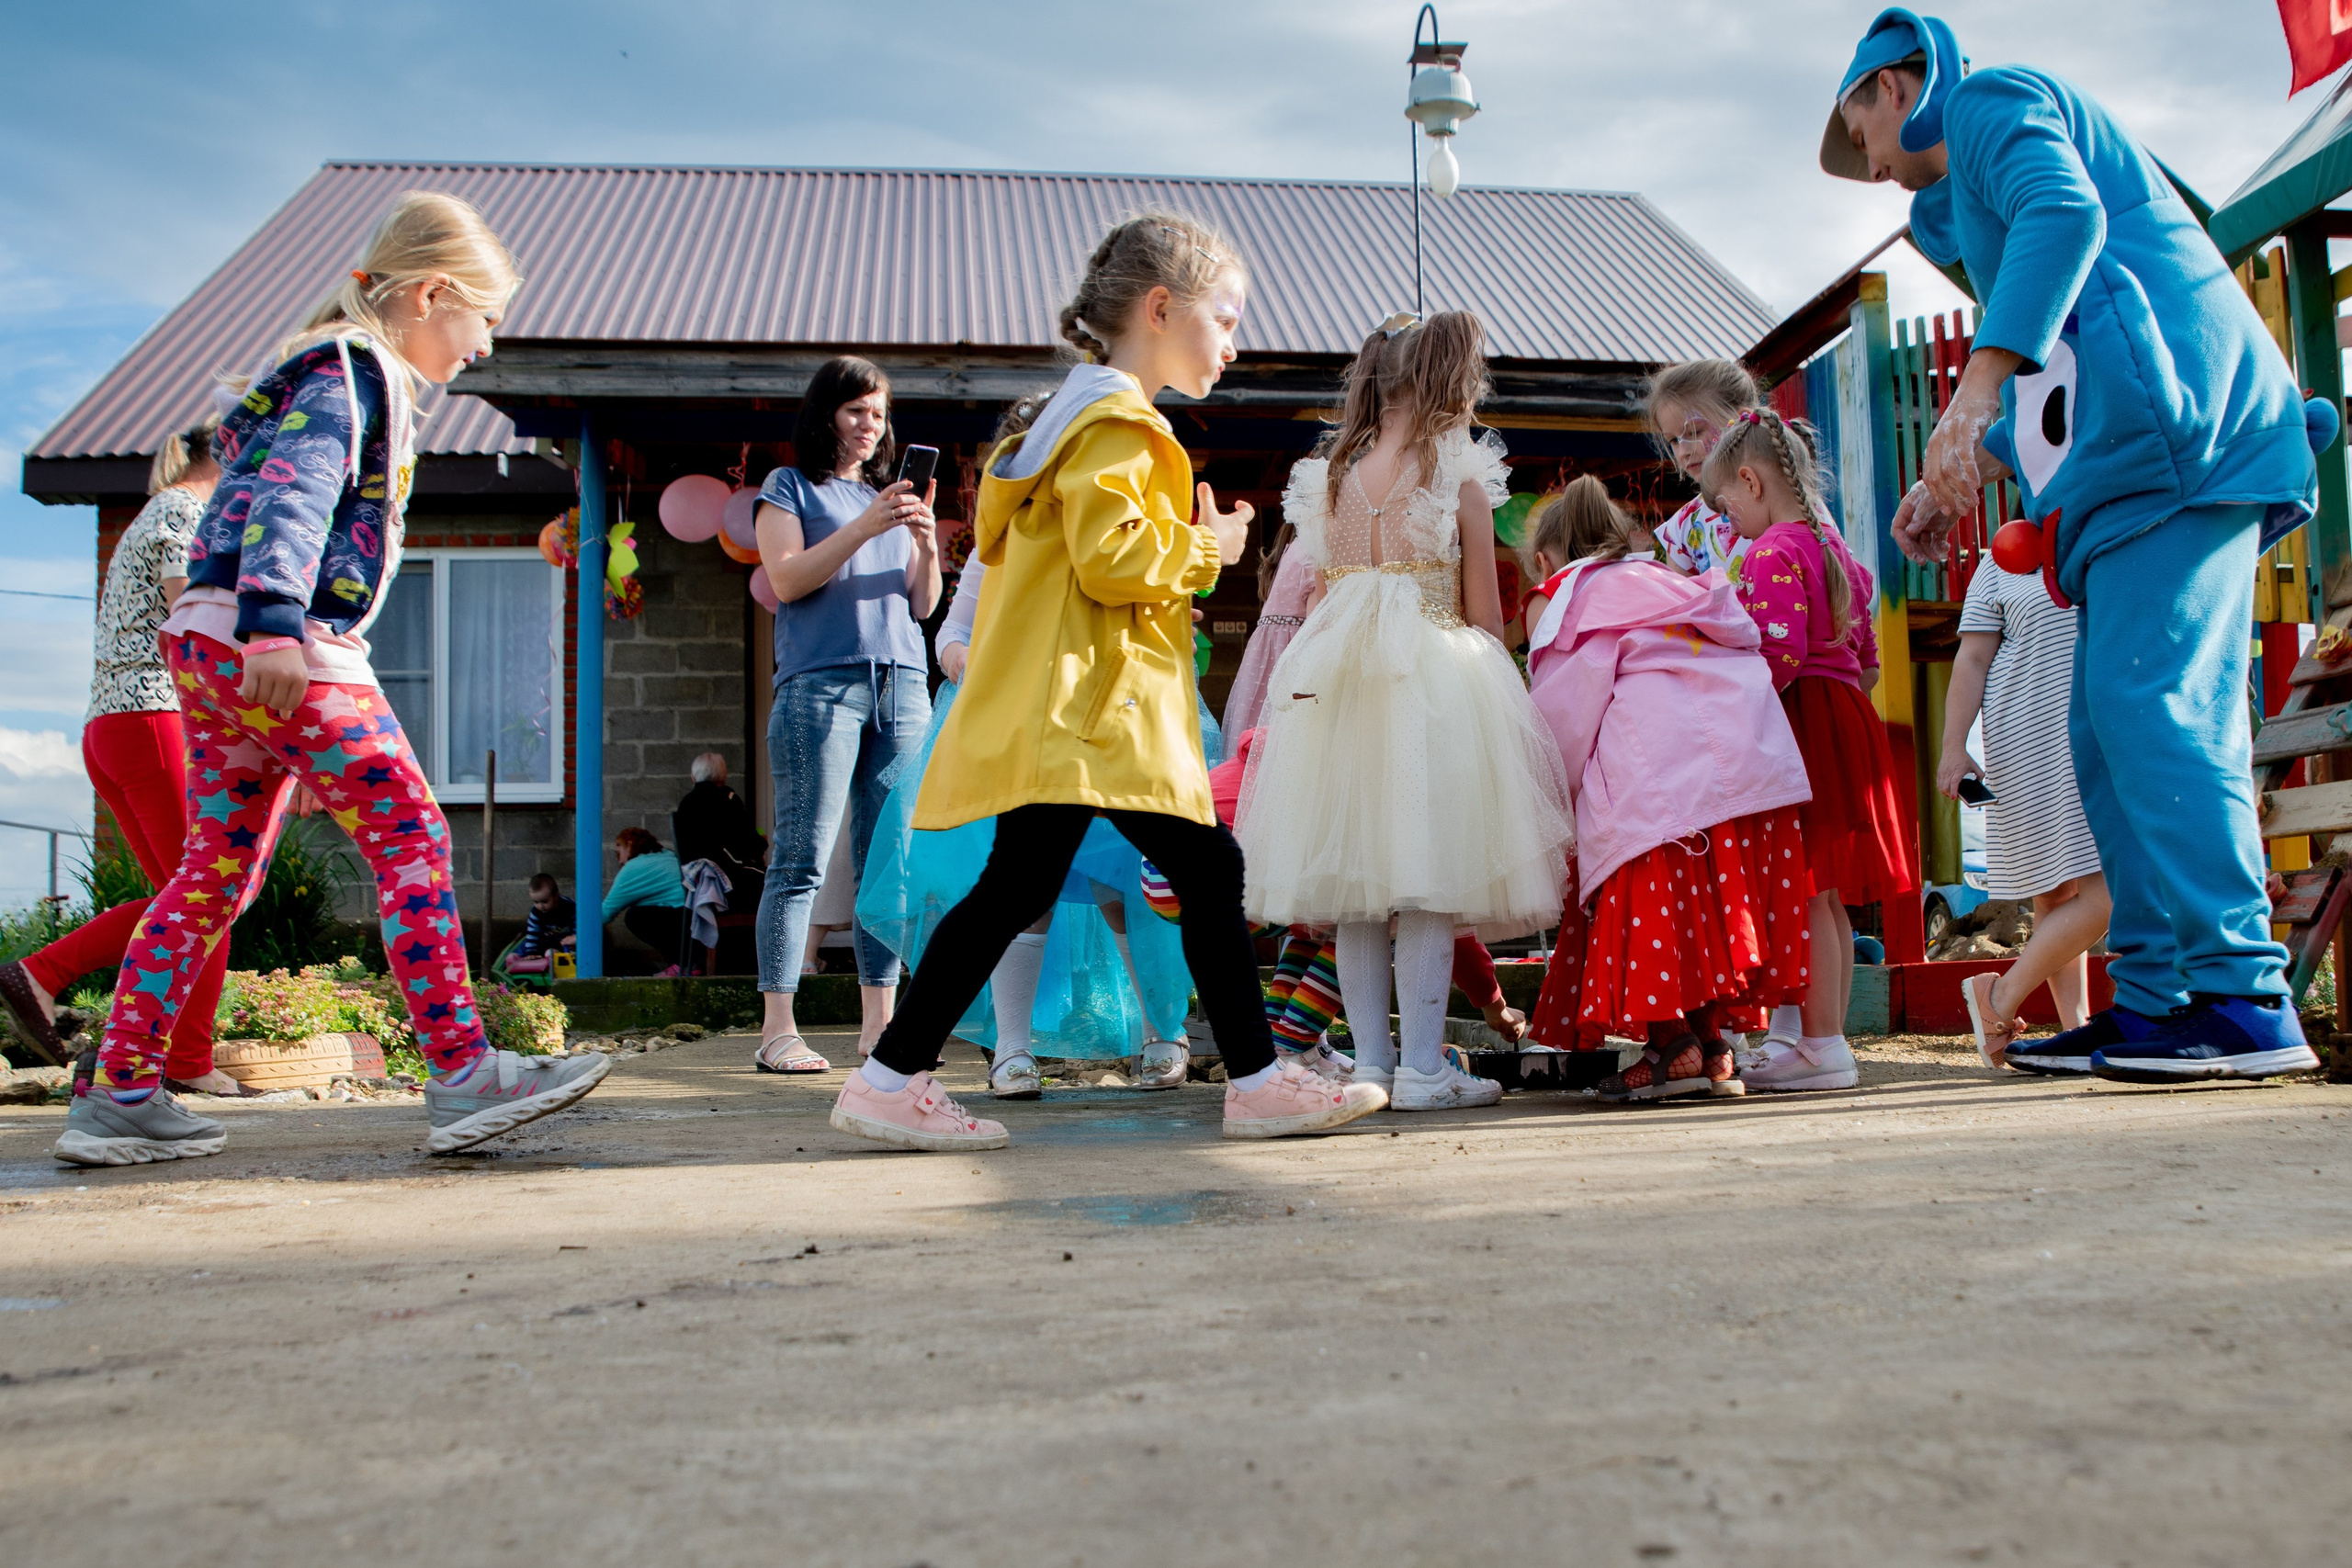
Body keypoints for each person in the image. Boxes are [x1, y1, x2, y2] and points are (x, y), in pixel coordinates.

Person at [52, 191, 609, 1166]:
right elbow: (293, 492)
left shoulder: (326, 368)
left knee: (214, 874)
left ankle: (123, 1088)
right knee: (412, 836)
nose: (482, 347)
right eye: (482, 317)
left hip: (209, 644)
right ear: (431, 293)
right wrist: (274, 625)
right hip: (280, 636)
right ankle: (464, 1071)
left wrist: (270, 696)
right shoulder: (355, 369)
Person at [1834, 9, 2328, 1082]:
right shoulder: (1968, 207)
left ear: (1897, 81)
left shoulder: (1989, 99)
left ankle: (2242, 998)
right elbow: (2062, 365)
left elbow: (2065, 218)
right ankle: (2153, 999)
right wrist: (1958, 466)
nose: (1862, 162)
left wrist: (1968, 401)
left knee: (2155, 708)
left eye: (1855, 120)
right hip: (2121, 471)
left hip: (2181, 444)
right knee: (2104, 731)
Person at [831, 211, 1387, 1150]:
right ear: (1162, 308)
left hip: (1075, 710)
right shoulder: (1120, 422)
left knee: (1024, 883)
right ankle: (1254, 1082)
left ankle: (890, 1076)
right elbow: (1113, 560)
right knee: (1204, 868)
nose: (1234, 340)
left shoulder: (1066, 420)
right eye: (1227, 317)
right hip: (1099, 713)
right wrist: (1206, 548)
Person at [1236, 310, 1575, 1111]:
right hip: (1433, 679)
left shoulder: (1327, 478)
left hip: (1340, 685)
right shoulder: (1455, 474)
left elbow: (1320, 595)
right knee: (1428, 874)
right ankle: (1426, 1065)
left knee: (1356, 877)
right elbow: (1486, 614)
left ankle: (1375, 1067)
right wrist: (1506, 693)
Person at [860, 543, 1197, 1100]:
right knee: (1023, 887)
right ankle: (1012, 1049)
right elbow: (953, 632)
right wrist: (964, 660)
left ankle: (1161, 1030)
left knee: (1121, 875)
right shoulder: (998, 546)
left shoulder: (1112, 531)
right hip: (1018, 732)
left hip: (1111, 722)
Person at [0, 414, 275, 1098]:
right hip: (153, 720)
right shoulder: (184, 514)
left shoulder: (156, 514)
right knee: (211, 893)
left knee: (182, 899)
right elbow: (194, 626)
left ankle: (156, 1049)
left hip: (116, 725)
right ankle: (62, 983)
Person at [1518, 477, 1814, 1100]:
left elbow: (1564, 716)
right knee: (1703, 910)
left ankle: (1670, 1044)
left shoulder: (1562, 598)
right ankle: (1710, 1047)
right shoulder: (1673, 584)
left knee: (1645, 898)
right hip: (1745, 765)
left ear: (1546, 561)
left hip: (1650, 768)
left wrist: (1543, 794)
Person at [1702, 409, 1912, 1092]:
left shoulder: (1773, 553)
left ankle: (1821, 1046)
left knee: (1809, 891)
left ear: (1750, 480)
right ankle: (1823, 1035)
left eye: (1727, 505)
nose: (1729, 523)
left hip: (1806, 722)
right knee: (1830, 898)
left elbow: (1780, 653)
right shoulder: (1839, 552)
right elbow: (1869, 662)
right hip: (1849, 714)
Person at [751, 356, 941, 1074]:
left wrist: (922, 542)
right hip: (821, 688)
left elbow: (924, 605)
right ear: (827, 412)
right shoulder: (789, 487)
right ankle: (777, 1030)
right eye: (858, 410)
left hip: (904, 684)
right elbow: (787, 578)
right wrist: (867, 524)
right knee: (799, 858)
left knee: (885, 864)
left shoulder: (889, 499)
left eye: (881, 413)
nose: (871, 426)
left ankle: (879, 1027)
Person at [1936, 562, 2112, 1070]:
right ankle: (2073, 1031)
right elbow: (1971, 658)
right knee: (2056, 892)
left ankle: (2000, 997)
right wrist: (1953, 747)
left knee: (2105, 891)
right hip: (2027, 740)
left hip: (2097, 735)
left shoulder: (2096, 539)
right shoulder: (1999, 563)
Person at [1645, 359, 1767, 591]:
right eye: (1673, 440)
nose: (1683, 451)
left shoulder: (1786, 499)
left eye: (1694, 432)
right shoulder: (1685, 527)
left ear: (1742, 420)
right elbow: (1681, 613)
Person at [1221, 519, 1317, 738]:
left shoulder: (1289, 550)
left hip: (1262, 661)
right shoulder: (1313, 554)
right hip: (1290, 658)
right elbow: (1315, 627)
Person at [673, 751, 766, 911]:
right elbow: (750, 845)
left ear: (693, 778)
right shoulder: (728, 799)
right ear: (723, 778)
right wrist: (762, 841)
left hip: (697, 884)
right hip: (730, 882)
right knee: (776, 882)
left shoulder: (684, 805)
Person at [602, 827, 686, 971]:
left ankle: (682, 965)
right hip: (696, 917)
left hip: (682, 919)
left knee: (635, 917)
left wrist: (579, 935)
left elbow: (606, 912)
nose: (620, 861)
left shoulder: (633, 867)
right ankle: (681, 965)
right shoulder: (667, 855)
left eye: (619, 853)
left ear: (629, 844)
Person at [503, 873, 577, 976]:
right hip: (543, 941)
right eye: (536, 902)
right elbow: (532, 933)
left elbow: (578, 926)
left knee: (554, 954)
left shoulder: (569, 907)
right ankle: (510, 974)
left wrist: (575, 938)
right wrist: (531, 953)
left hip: (563, 943)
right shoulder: (536, 912)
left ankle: (551, 967)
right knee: (514, 954)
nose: (540, 906)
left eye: (544, 901)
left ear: (556, 896)